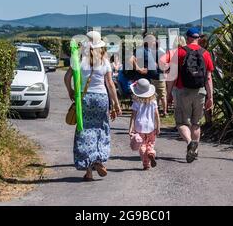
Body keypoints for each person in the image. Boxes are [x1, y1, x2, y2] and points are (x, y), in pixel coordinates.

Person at [64, 31, 122, 181]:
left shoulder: (78, 60)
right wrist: (116, 104)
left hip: (85, 98)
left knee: (84, 130)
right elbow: (110, 84)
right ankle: (99, 158)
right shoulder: (104, 61)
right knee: (101, 128)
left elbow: (67, 77)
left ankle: (88, 171)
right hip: (102, 98)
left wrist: (71, 91)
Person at [166, 28, 214, 163]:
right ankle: (195, 150)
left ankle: (189, 143)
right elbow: (209, 78)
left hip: (182, 91)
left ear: (187, 38)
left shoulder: (179, 52)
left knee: (181, 122)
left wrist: (168, 94)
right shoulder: (205, 53)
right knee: (196, 123)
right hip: (200, 91)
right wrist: (210, 97)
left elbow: (172, 76)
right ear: (198, 38)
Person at [128, 79, 161, 170]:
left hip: (139, 127)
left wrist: (131, 128)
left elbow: (133, 116)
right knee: (150, 144)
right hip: (151, 127)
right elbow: (157, 115)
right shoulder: (153, 102)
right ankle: (151, 153)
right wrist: (158, 126)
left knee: (142, 146)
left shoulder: (136, 102)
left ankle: (146, 164)